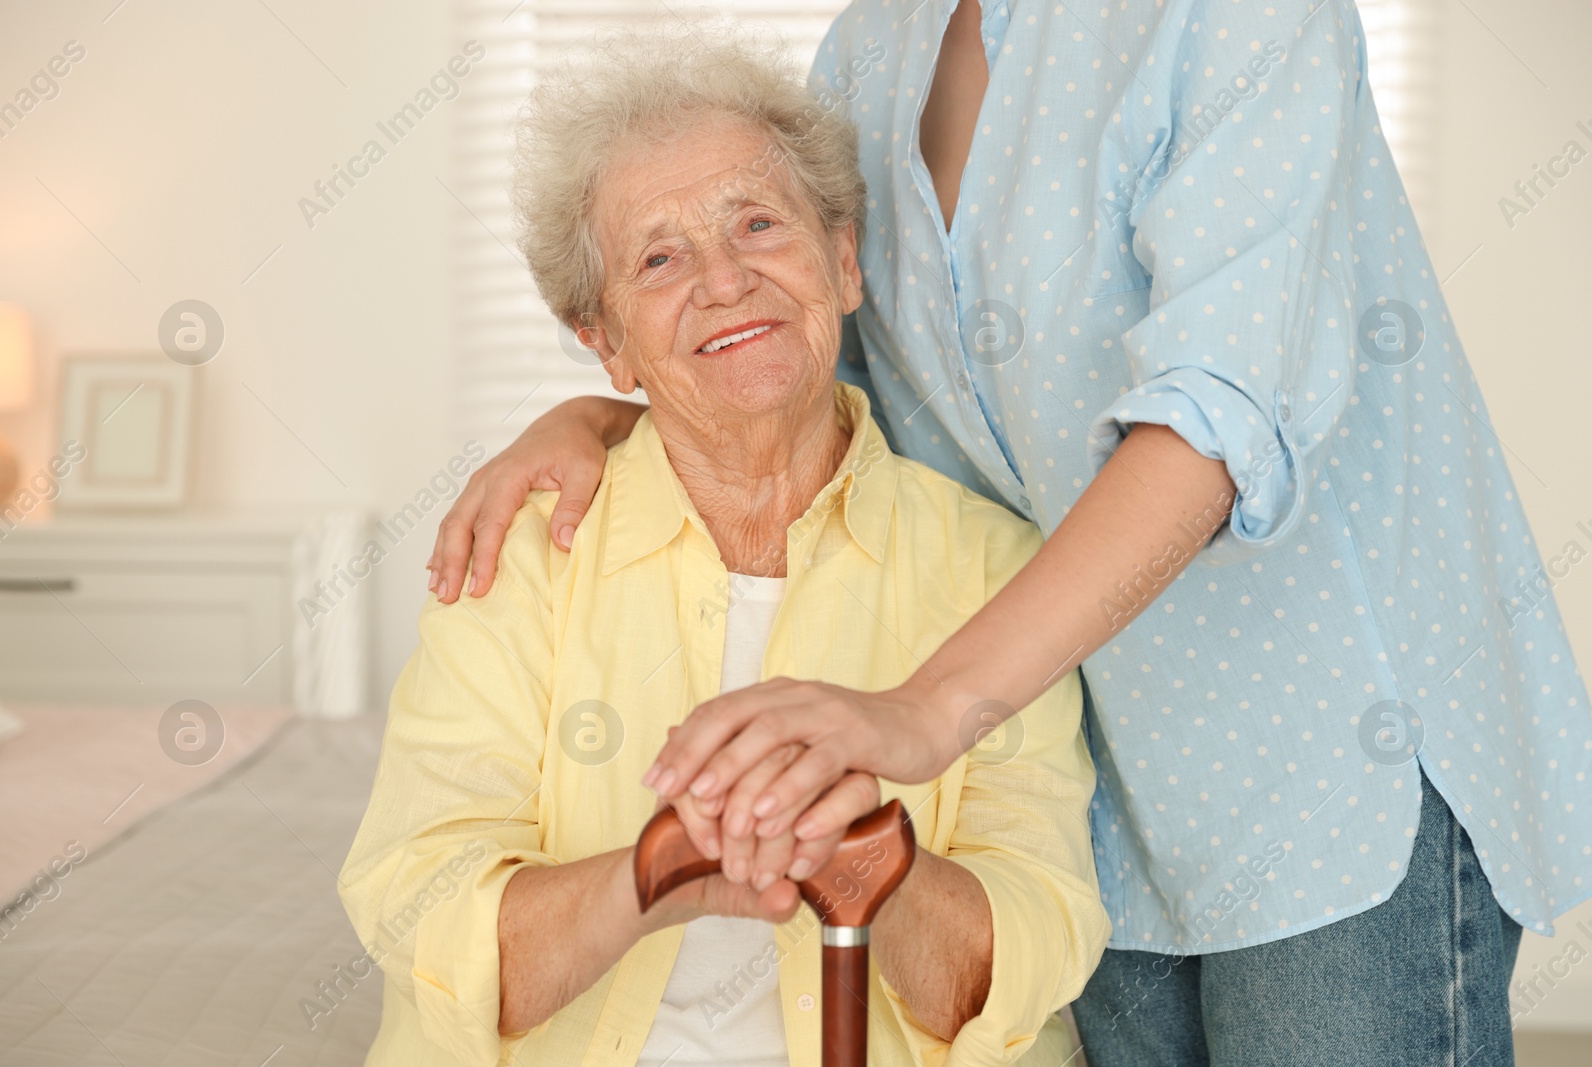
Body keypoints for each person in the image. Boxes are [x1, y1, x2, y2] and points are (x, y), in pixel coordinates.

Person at [428, 1, 1592, 1064]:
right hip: (1103, 788)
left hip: (1330, 760)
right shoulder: (867, 53)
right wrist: (599, 413)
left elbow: (1220, 417)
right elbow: (830, 373)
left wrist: (925, 710)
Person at [340, 27, 1109, 1067]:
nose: (724, 278)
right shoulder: (518, 548)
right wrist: (655, 869)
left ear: (842, 263)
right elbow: (421, 916)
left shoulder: (999, 573)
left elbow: (1028, 957)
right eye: (659, 256)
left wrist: (875, 860)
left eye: (757, 223)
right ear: (604, 339)